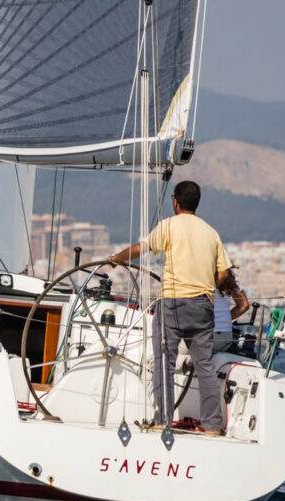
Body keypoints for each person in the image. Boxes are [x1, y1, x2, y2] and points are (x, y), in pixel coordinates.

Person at [107, 180, 232, 436]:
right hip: (202, 305)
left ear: (175, 201)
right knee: (205, 367)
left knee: (165, 363)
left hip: (173, 303)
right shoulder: (210, 232)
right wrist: (206, 286)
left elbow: (142, 249)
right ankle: (211, 426)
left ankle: (161, 420)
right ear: (196, 203)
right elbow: (224, 273)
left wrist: (117, 258)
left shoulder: (169, 226)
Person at [214, 268, 249, 353]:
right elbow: (244, 305)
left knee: (181, 352)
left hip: (202, 336)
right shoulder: (229, 274)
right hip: (224, 336)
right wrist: (223, 320)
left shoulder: (196, 271)